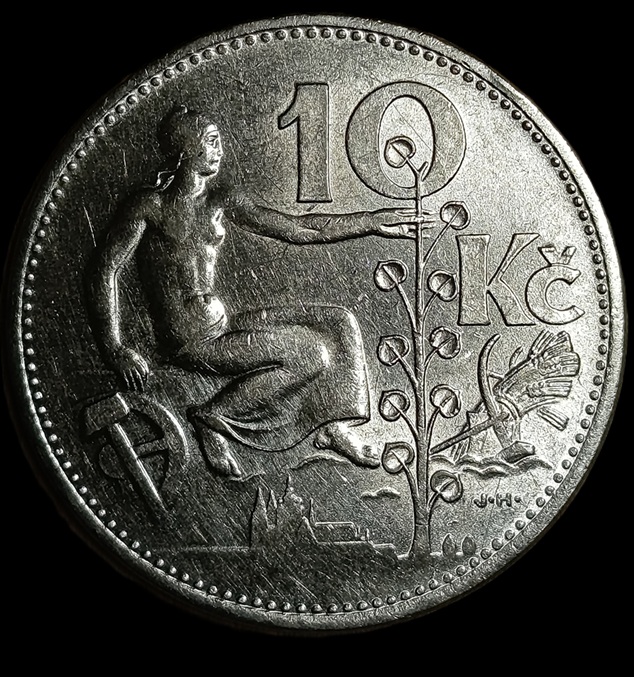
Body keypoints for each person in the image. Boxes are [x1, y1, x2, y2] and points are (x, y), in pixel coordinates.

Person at [87, 106, 414, 477]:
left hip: (222, 323)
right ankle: (213, 416)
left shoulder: (219, 200)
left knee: (338, 322)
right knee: (311, 353)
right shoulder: (150, 206)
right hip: (189, 339)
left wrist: (369, 222)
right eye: (211, 141)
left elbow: (298, 228)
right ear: (186, 149)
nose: (220, 150)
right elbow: (105, 269)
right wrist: (115, 349)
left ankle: (329, 424)